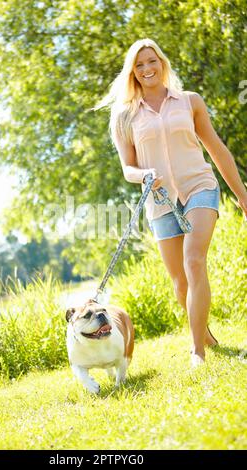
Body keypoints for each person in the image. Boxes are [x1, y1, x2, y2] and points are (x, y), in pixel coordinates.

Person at [95, 38, 247, 367]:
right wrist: (144, 174)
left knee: (195, 262)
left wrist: (242, 194)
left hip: (199, 187)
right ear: (132, 73)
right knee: (180, 281)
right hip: (160, 201)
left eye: (152, 61)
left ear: (162, 63)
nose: (147, 68)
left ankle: (197, 351)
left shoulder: (189, 102)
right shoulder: (124, 116)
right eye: (140, 65)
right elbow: (127, 168)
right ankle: (203, 331)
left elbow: (217, 149)